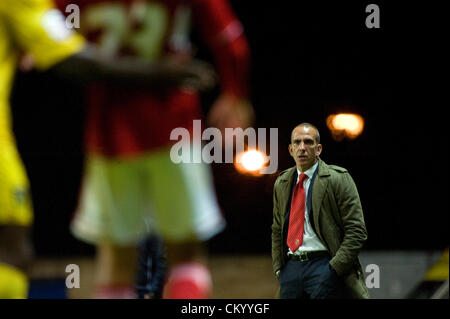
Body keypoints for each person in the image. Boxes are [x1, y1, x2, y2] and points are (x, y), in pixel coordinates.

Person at [0, 0, 214, 299]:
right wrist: (165, 73)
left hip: (111, 139)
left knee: (117, 263)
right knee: (11, 251)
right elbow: (75, 61)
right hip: (165, 127)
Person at [56, 0, 254, 298]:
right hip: (175, 130)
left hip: (109, 136)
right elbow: (230, 40)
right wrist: (235, 93)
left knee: (116, 265)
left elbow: (54, 42)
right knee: (186, 258)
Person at [271, 123, 369, 299]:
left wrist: (334, 269)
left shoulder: (337, 179)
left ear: (318, 149)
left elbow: (357, 231)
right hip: (291, 266)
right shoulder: (283, 182)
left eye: (308, 142)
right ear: (290, 149)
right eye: (297, 142)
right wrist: (279, 268)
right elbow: (277, 228)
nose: (302, 148)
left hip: (323, 263)